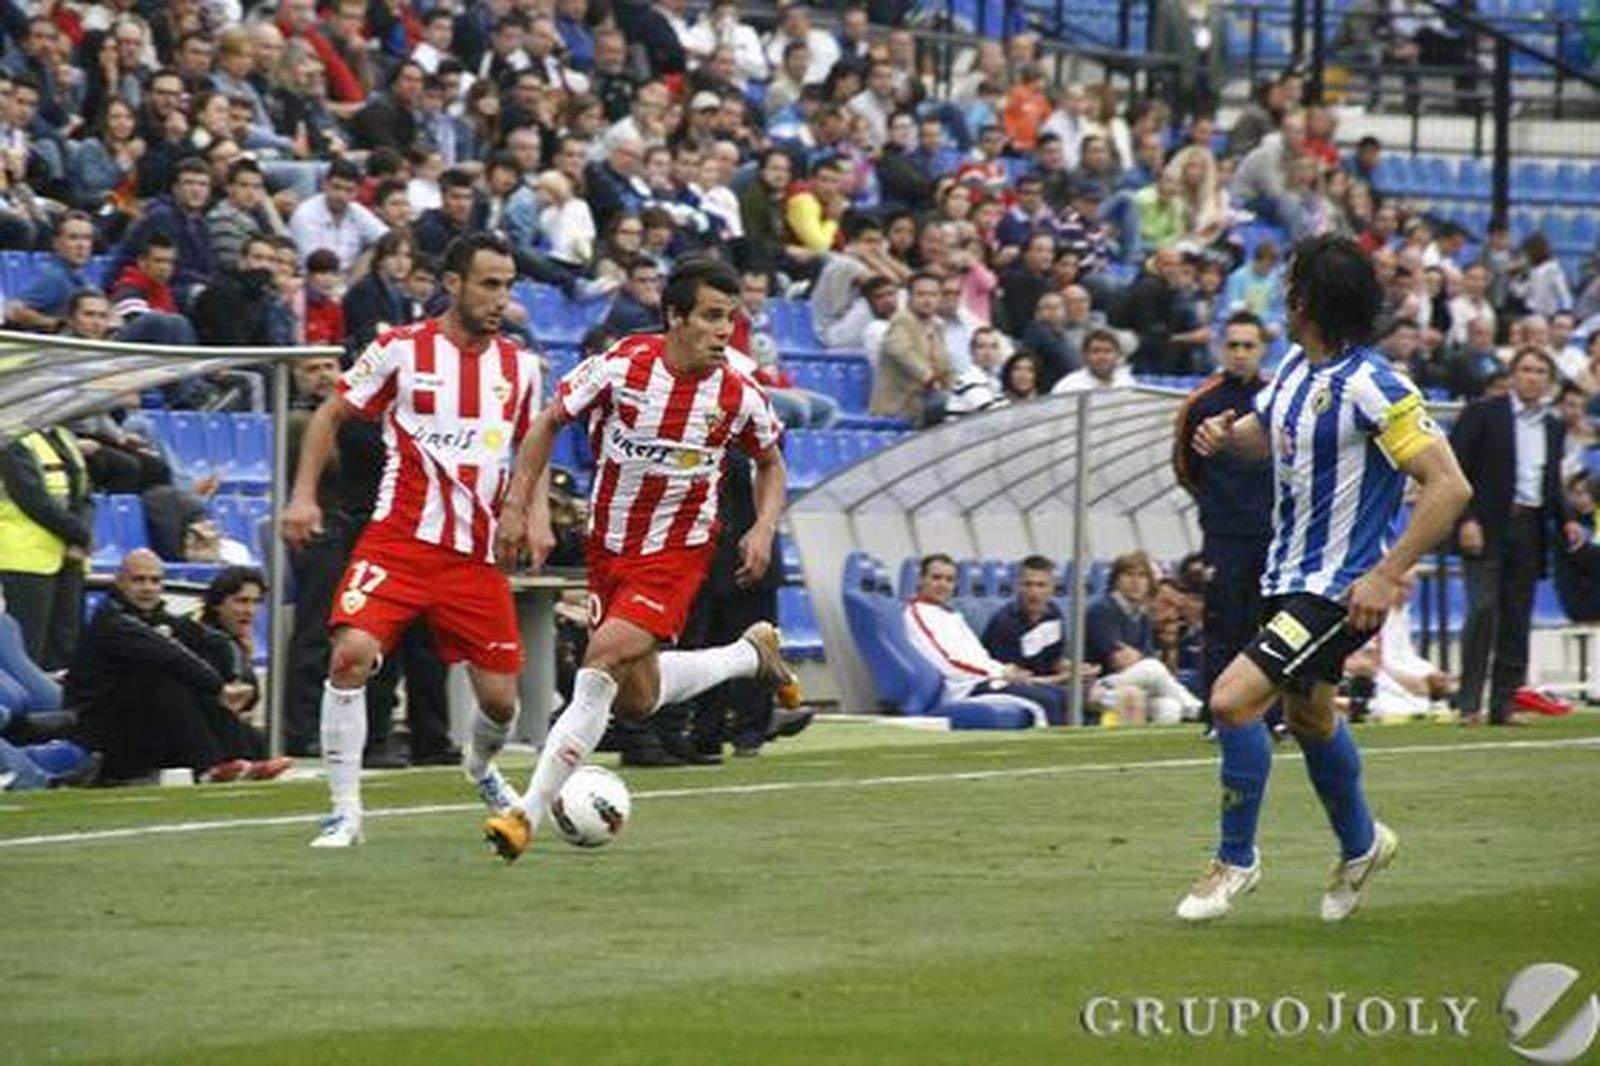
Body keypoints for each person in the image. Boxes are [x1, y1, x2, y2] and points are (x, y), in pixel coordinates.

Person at [1178, 234, 1471, 923]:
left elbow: (1448, 487)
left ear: (1308, 299)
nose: (1283, 294)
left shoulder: (1376, 386)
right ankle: (1362, 843)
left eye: (1291, 284)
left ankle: (1235, 860)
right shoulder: (1293, 371)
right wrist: (1228, 438)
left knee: (1230, 701)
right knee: (1309, 717)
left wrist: (1385, 574)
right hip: (1285, 575)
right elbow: (1270, 434)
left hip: (1335, 588)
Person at [484, 257, 800, 862]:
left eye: (730, 319)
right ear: (674, 317)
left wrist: (762, 527)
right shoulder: (622, 367)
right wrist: (519, 508)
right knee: (635, 698)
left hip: (676, 554)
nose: (723, 332)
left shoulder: (736, 392)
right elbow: (548, 421)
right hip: (611, 549)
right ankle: (748, 655)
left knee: (600, 658)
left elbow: (771, 463)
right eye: (710, 317)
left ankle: (525, 813)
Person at [281, 234, 546, 848]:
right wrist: (303, 495)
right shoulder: (399, 350)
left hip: (475, 556)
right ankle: (344, 810)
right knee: (351, 655)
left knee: (502, 703)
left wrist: (533, 513)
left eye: (508, 286)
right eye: (489, 284)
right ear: (452, 283)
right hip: (399, 542)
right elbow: (329, 416)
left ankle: (479, 767)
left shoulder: (522, 368)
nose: (500, 298)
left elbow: (533, 445)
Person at [67, 550, 286, 785]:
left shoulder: (162, 618)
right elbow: (169, 655)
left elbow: (220, 641)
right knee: (166, 677)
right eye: (138, 580)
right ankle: (210, 766)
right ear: (120, 582)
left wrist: (235, 679)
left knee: (199, 686)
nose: (148, 587)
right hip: (102, 731)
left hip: (144, 727)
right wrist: (220, 688)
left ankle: (245, 761)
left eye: (155, 580)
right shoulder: (111, 621)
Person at [1448, 347, 1579, 727]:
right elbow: (1454, 470)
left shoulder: (1553, 426)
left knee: (1517, 619)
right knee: (1483, 609)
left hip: (1531, 527)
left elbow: (1550, 481)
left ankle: (1503, 704)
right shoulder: (1483, 414)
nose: (1533, 377)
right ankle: (1468, 703)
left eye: (1541, 371)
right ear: (1512, 374)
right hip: (1486, 525)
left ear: (1549, 380)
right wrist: (1465, 520)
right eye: (1526, 369)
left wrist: (1566, 519)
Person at [1173, 312, 1274, 730]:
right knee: (1223, 623)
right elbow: (1185, 466)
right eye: (1233, 345)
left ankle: (1274, 716)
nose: (1240, 354)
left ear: (1263, 349)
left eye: (1248, 345)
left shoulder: (1276, 398)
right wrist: (1219, 505)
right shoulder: (1200, 402)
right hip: (1225, 534)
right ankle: (1219, 715)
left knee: (1271, 627)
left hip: (1274, 533)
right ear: (1220, 348)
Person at [904, 553, 1067, 725]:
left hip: (986, 679)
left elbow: (980, 657)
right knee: (1048, 700)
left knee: (1060, 695)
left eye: (949, 580)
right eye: (936, 578)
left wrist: (1003, 671)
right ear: (921, 580)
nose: (943, 585)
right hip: (965, 688)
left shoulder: (950, 614)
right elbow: (948, 661)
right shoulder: (918, 613)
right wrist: (1001, 672)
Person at [0, 425, 92, 670]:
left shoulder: (64, 435)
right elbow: (32, 499)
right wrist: (80, 535)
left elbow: (84, 494)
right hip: (25, 560)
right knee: (28, 650)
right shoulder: (12, 438)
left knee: (65, 647)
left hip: (68, 558)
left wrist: (80, 536)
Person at [1082, 552, 1205, 725]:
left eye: (1142, 576)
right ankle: (1197, 709)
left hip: (1134, 684)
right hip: (1099, 686)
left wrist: (1143, 658)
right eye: (1129, 575)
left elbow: (1142, 659)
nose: (1136, 582)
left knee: (1169, 707)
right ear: (1116, 580)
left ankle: (1157, 751)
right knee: (1152, 668)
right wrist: (1143, 660)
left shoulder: (1143, 615)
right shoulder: (1102, 610)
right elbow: (1121, 661)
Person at [981, 554, 1096, 690]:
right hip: (1013, 687)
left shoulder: (1053, 613)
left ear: (1052, 588)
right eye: (1027, 584)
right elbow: (1014, 679)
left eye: (1041, 585)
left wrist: (1077, 668)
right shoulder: (1004, 623)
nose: (1034, 592)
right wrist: (1063, 678)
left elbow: (1053, 661)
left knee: (1099, 690)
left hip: (1047, 682)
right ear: (1017, 587)